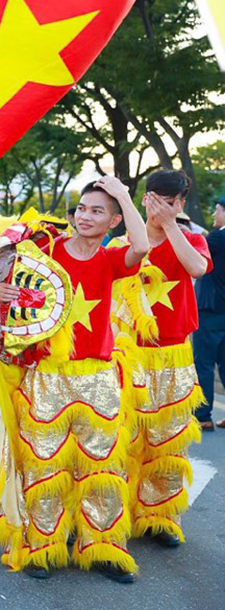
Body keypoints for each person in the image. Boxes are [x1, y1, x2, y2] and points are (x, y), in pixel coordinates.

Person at [0, 176, 148, 583]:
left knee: (102, 467)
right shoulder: (43, 251)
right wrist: (4, 295)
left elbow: (143, 245)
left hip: (97, 377)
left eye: (97, 211)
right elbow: (7, 290)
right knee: (43, 463)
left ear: (113, 221)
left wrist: (123, 194)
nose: (85, 216)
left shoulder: (112, 259)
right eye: (82, 208)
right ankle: (43, 546)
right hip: (45, 376)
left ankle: (102, 547)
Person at [117, 170, 210, 548]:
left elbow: (198, 268)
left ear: (180, 204)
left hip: (174, 353)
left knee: (168, 439)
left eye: (170, 202)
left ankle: (161, 517)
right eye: (155, 200)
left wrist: (172, 226)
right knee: (127, 436)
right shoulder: (124, 242)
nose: (161, 209)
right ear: (144, 200)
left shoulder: (190, 239)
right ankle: (119, 511)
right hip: (131, 353)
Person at [195, 196, 225, 430]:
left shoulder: (216, 239)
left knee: (204, 363)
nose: (214, 215)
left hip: (211, 308)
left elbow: (195, 255)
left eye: (217, 210)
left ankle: (203, 415)